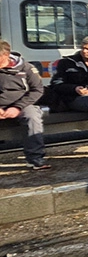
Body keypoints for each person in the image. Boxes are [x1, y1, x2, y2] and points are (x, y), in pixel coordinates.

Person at [0, 39, 50, 170]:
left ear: (5, 55)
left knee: (32, 117)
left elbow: (38, 90)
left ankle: (35, 158)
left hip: (21, 103)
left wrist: (17, 107)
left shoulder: (26, 68)